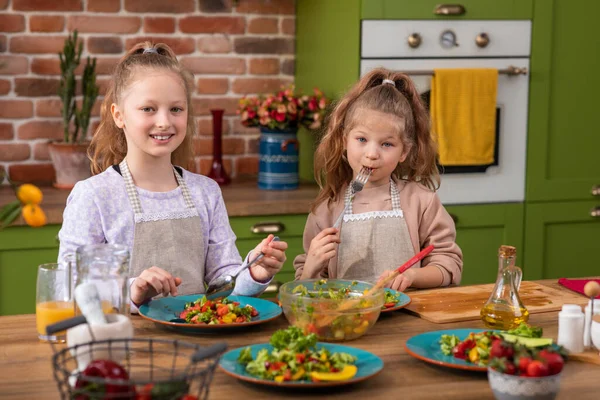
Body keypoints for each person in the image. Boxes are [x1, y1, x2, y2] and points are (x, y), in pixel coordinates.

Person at [58, 42, 288, 309]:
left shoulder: (206, 191)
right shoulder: (94, 195)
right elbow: (71, 285)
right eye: (148, 109)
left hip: (196, 339)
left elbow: (222, 284)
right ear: (119, 115)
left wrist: (253, 272)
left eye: (176, 109)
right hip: (124, 340)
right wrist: (133, 290)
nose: (165, 121)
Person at [293, 67, 462, 291]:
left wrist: (412, 276)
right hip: (347, 320)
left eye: (387, 144)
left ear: (404, 152)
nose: (372, 154)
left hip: (410, 321)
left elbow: (449, 267)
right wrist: (311, 269)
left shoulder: (422, 201)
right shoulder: (326, 210)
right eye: (362, 139)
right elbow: (303, 291)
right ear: (345, 140)